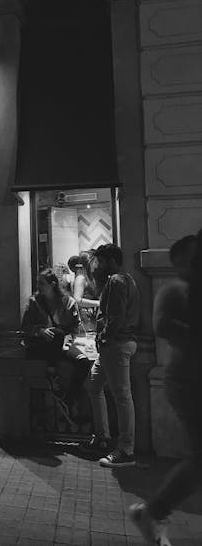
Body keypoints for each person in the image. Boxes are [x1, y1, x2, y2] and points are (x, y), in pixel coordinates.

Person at [129, 232, 202, 545]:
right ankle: (154, 510)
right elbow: (162, 327)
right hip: (187, 381)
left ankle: (154, 511)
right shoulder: (175, 291)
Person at [82, 243, 140, 467]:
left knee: (122, 396)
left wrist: (104, 337)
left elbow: (116, 316)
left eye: (101, 261)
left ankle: (126, 450)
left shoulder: (116, 281)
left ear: (111, 261)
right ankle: (102, 438)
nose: (98, 265)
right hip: (115, 344)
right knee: (93, 385)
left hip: (116, 344)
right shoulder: (127, 279)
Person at [21, 268, 91, 422]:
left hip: (62, 343)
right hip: (40, 344)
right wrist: (40, 331)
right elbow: (25, 326)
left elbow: (75, 327)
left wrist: (69, 339)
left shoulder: (68, 302)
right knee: (57, 335)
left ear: (53, 285)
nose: (38, 286)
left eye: (42, 283)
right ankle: (52, 373)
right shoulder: (34, 302)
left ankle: (69, 399)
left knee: (84, 362)